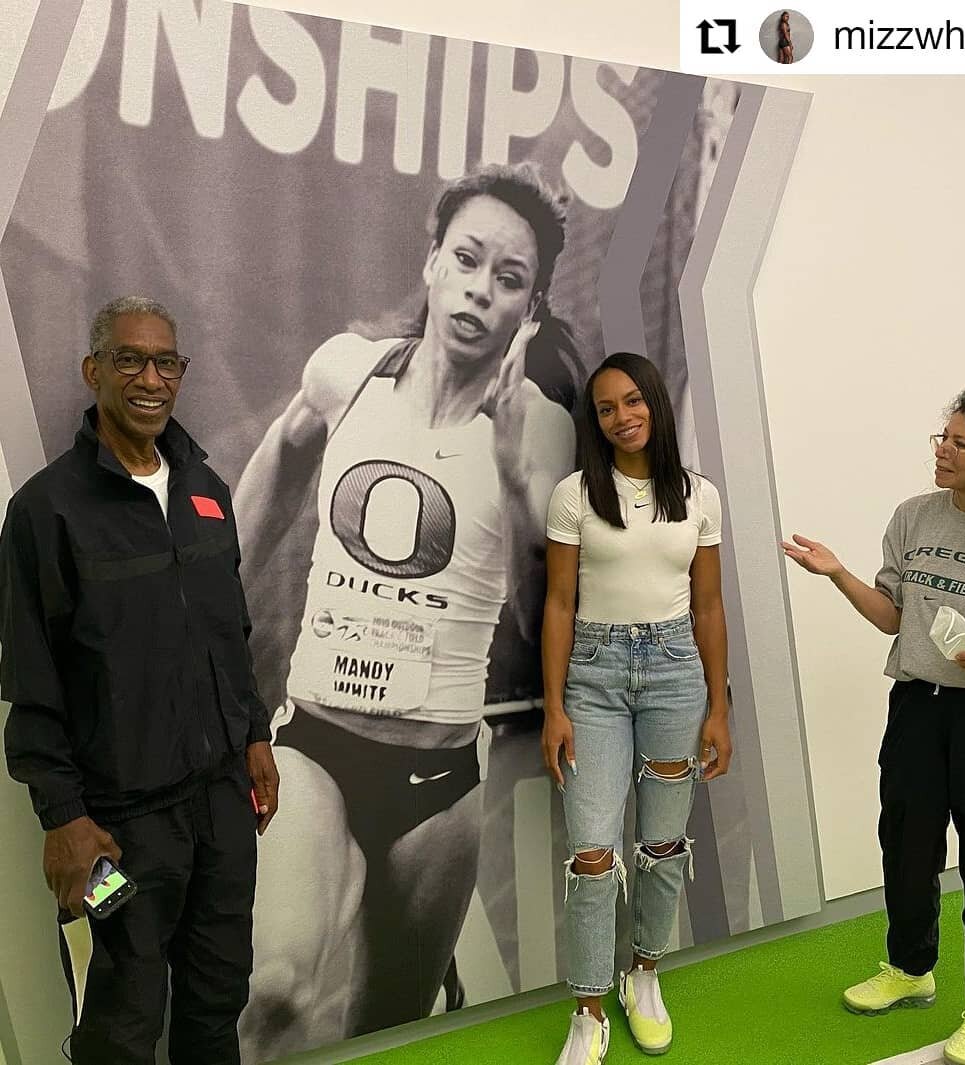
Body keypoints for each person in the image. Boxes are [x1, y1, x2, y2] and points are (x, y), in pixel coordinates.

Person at [233, 162, 577, 1054]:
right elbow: (275, 467)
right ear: (429, 262)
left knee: (385, 1029)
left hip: (436, 784)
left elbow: (544, 593)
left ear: (528, 310)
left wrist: (507, 472)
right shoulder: (344, 372)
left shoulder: (538, 426)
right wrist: (211, 600)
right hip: (315, 743)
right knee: (274, 989)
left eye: (508, 280)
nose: (478, 291)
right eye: (466, 260)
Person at [0, 296, 279, 1065]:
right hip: (117, 831)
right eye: (129, 359)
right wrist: (63, 816)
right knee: (121, 1015)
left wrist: (253, 733)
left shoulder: (207, 493)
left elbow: (231, 635)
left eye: (165, 362)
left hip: (223, 810)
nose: (150, 378)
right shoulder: (45, 512)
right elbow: (31, 680)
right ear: (95, 372)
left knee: (217, 995)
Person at [782, 390, 965, 1065]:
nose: (940, 448)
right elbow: (891, 616)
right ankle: (910, 968)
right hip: (917, 705)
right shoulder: (912, 516)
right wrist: (837, 574)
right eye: (941, 435)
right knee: (906, 847)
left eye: (958, 441)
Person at [541, 351, 731, 1064]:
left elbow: (708, 605)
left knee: (659, 845)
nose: (621, 417)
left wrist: (719, 706)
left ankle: (643, 973)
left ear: (654, 401)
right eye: (605, 408)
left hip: (676, 674)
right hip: (590, 677)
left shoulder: (697, 494)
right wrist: (555, 707)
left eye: (631, 401)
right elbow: (559, 603)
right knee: (592, 854)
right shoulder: (573, 495)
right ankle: (588, 1010)